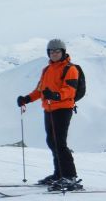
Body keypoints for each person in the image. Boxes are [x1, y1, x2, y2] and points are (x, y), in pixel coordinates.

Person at [17, 39, 82, 191]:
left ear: (63, 52)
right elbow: (40, 91)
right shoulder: (47, 70)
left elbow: (70, 90)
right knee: (52, 142)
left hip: (63, 109)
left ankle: (70, 177)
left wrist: (56, 95)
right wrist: (26, 99)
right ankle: (59, 174)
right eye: (51, 51)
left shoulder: (70, 69)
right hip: (49, 109)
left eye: (57, 51)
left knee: (59, 143)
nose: (54, 53)